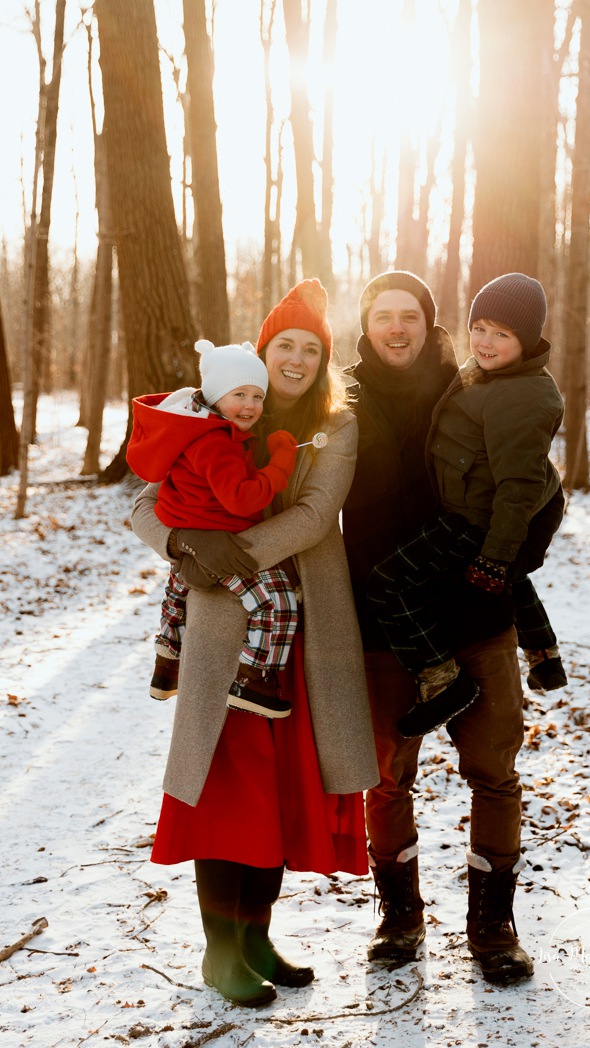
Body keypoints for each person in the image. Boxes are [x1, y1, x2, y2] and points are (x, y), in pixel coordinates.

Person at [130, 278, 379, 1007]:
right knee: (224, 786)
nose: (296, 359)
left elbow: (313, 512)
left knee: (278, 788)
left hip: (304, 630)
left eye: (310, 348)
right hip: (223, 628)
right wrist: (184, 543)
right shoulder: (215, 408)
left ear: (322, 360)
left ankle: (256, 935)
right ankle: (219, 951)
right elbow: (145, 500)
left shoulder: (336, 426)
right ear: (261, 351)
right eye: (284, 346)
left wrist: (231, 548)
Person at [342, 270, 562, 986]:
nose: (396, 328)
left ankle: (491, 926)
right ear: (366, 324)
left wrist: (515, 551)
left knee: (493, 773)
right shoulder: (337, 397)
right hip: (383, 620)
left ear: (430, 323)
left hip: (473, 612)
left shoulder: (468, 381)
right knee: (384, 777)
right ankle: (398, 916)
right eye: (383, 316)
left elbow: (532, 480)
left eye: (410, 314)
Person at [364, 272, 565, 739]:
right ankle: (543, 652)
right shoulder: (488, 374)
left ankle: (441, 680)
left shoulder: (520, 394)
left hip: (475, 518)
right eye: (479, 328)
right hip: (471, 508)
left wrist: (494, 556)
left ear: (527, 339)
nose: (486, 342)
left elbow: (518, 486)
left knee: (387, 584)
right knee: (509, 574)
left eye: (503, 333)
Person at [127, 339, 300, 719]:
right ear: (216, 394)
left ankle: (167, 661)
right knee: (278, 603)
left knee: (178, 596)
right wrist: (281, 463)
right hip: (218, 537)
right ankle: (256, 679)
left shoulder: (195, 429)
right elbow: (241, 498)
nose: (251, 405)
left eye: (257, 395)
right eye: (239, 394)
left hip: (192, 532)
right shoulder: (215, 443)